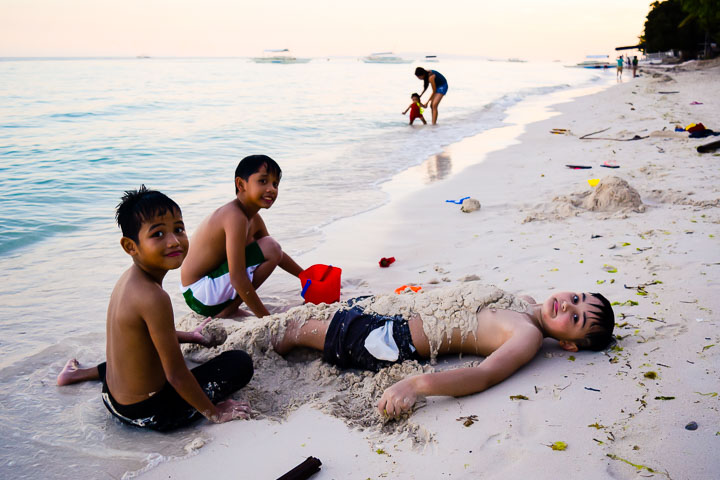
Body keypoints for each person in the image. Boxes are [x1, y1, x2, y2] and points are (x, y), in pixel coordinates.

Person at [57, 186, 254, 431]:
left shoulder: (129, 280)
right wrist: (214, 413)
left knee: (135, 352)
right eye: (158, 234)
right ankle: (198, 410)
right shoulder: (154, 297)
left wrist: (190, 337)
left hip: (112, 397)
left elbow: (142, 338)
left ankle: (76, 375)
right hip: (149, 412)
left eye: (179, 229)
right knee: (239, 362)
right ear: (130, 246)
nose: (174, 241)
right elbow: (177, 376)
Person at [266, 283, 614, 418]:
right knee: (307, 315)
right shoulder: (524, 303)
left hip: (388, 338)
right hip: (394, 309)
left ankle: (255, 344)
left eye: (577, 319)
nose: (568, 306)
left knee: (295, 330)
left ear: (569, 343)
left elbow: (484, 374)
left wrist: (415, 385)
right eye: (577, 298)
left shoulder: (527, 335)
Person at [180, 155, 304, 318]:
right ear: (241, 184)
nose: (271, 189)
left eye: (275, 184)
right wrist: (265, 318)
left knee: (268, 246)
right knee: (269, 246)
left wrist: (307, 277)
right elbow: (238, 276)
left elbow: (278, 255)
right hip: (201, 293)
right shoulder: (235, 217)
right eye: (263, 181)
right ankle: (228, 310)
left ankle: (228, 308)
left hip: (199, 292)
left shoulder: (252, 218)